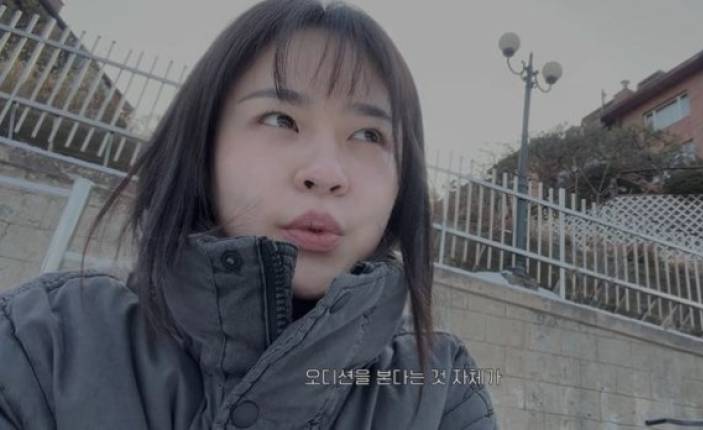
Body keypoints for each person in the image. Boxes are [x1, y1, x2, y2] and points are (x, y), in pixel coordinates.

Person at [0, 0, 498, 428]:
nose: (326, 173)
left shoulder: (438, 392)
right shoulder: (43, 342)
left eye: (369, 135)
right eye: (280, 119)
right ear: (204, 143)